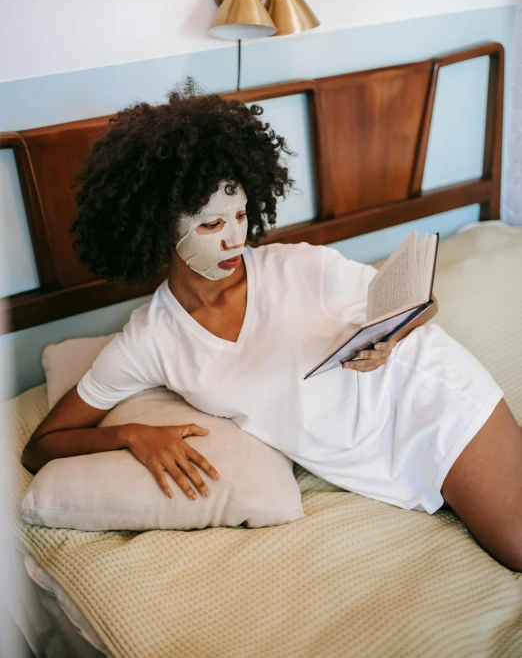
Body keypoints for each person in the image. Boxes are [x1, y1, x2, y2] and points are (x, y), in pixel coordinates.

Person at [22, 81, 522, 571]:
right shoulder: (151, 340)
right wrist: (133, 435)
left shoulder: (297, 266)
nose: (233, 239)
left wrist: (388, 341)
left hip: (429, 397)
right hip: (370, 461)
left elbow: (420, 305)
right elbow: (42, 445)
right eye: (211, 225)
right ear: (158, 226)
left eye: (239, 215)